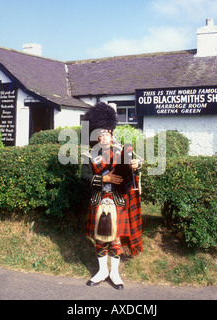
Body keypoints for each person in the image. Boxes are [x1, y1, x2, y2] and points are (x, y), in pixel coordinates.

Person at [81, 102, 142, 290]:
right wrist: (104, 177)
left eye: (106, 133)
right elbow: (84, 176)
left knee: (115, 238)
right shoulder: (88, 154)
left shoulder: (123, 150)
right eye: (99, 134)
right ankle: (102, 271)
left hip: (117, 200)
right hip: (99, 199)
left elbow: (135, 168)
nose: (103, 137)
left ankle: (114, 273)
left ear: (112, 133)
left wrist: (135, 166)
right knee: (100, 238)